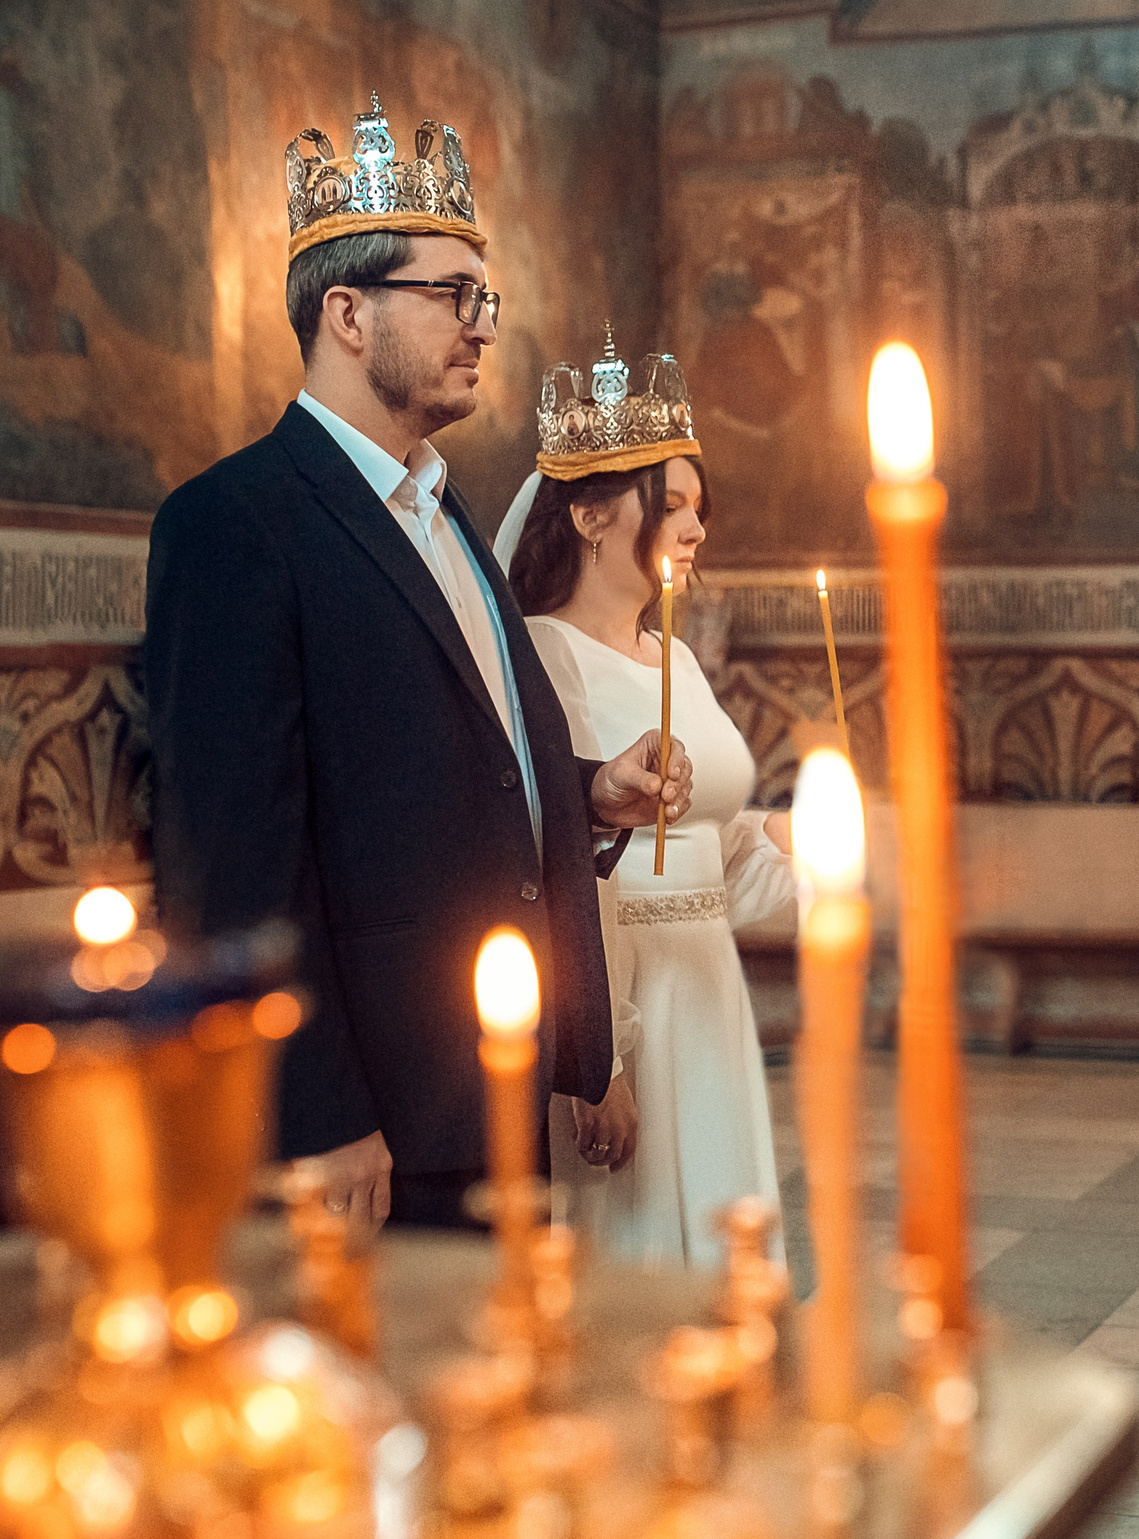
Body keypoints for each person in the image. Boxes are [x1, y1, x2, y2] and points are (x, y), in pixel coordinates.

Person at [144, 96, 691, 1234]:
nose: (483, 325)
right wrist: (318, 1111)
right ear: (347, 313)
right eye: (452, 296)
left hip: (491, 1077)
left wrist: (590, 787)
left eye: (481, 298)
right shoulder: (237, 522)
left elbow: (453, 761)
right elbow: (230, 863)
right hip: (373, 1112)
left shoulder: (444, 511)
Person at [494, 332, 796, 1267]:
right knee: (639, 1269)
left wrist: (825, 860)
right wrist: (600, 1060)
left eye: (700, 509)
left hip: (709, 1000)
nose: (697, 531)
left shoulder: (676, 661)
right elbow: (563, 867)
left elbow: (724, 861)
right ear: (588, 516)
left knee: (723, 1254)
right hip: (629, 1008)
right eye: (672, 508)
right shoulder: (540, 658)